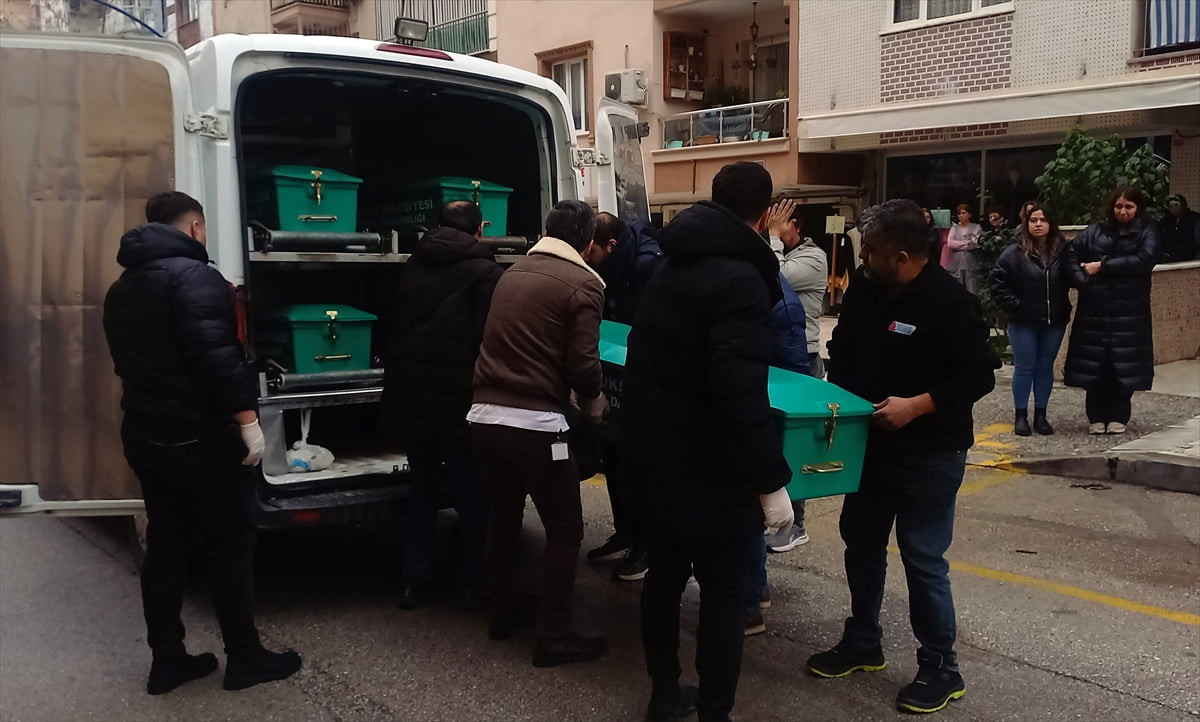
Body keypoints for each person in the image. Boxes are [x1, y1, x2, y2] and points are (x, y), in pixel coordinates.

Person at [103, 192, 301, 695]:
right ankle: (244, 657)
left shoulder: (123, 286)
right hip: (199, 437)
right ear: (194, 228)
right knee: (229, 544)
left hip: (147, 433)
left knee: (167, 544)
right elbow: (217, 359)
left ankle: (166, 661)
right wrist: (247, 421)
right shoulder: (197, 278)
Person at [807, 199, 998, 715]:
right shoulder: (868, 288)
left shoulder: (949, 303)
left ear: (904, 254)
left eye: (870, 250)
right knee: (861, 542)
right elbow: (843, 350)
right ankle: (863, 641)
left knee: (922, 557)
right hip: (869, 446)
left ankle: (941, 665)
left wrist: (918, 406)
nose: (862, 258)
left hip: (930, 451)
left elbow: (980, 375)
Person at [622, 161, 794, 722]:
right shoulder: (742, 279)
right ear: (765, 214)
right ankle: (715, 709)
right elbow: (739, 390)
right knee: (723, 595)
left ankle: (664, 694)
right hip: (712, 467)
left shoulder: (670, 262)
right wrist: (771, 483)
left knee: (666, 580)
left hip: (656, 456)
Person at [469, 199, 611, 668]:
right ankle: (555, 635)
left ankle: (503, 610)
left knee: (504, 516)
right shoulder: (585, 284)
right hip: (535, 423)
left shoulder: (512, 272)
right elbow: (583, 364)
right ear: (588, 242)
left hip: (484, 416)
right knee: (566, 530)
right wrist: (593, 403)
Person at [381, 201, 503, 610]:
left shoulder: (416, 264)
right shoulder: (486, 272)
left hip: (414, 397)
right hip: (459, 400)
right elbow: (487, 341)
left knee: (424, 489)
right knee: (472, 492)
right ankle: (476, 579)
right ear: (480, 230)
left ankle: (414, 580)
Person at [584, 212, 664, 582]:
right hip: (616, 366)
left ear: (611, 246)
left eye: (592, 251)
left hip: (643, 372)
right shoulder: (616, 263)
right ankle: (626, 532)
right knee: (613, 457)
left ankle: (647, 545)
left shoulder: (647, 266)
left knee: (642, 466)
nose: (586, 257)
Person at [1063, 186, 1161, 435]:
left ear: (1137, 208)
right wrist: (1082, 280)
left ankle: (1119, 416)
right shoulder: (1095, 231)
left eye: (1128, 206)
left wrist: (1103, 266)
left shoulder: (1147, 231)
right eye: (1119, 206)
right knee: (1096, 365)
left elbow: (1145, 259)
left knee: (1122, 366)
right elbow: (1070, 254)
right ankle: (1095, 416)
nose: (1123, 211)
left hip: (1130, 312)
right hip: (1094, 310)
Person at [744, 273, 810, 637]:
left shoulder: (775, 300)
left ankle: (748, 601)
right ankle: (754, 590)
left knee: (745, 511)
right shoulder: (755, 287)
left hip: (758, 413)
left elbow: (794, 379)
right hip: (752, 412)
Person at [763, 198, 826, 553]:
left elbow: (774, 276)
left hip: (805, 357)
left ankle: (796, 523)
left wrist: (770, 239)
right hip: (775, 354)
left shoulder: (813, 258)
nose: (771, 225)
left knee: (795, 445)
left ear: (796, 225)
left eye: (779, 221)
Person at [989, 204, 1071, 436]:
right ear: (1026, 224)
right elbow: (997, 282)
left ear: (1050, 224)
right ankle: (1021, 415)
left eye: (1043, 220)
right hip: (1023, 322)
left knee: (1045, 368)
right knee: (1025, 368)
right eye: (1033, 220)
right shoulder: (1013, 253)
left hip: (1054, 320)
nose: (1038, 224)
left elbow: (1075, 274)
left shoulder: (1063, 252)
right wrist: (1017, 306)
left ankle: (1041, 415)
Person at [945, 203, 982, 294]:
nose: (961, 215)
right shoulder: (954, 228)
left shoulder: (976, 227)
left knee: (972, 286)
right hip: (956, 260)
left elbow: (973, 244)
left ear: (969, 214)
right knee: (957, 287)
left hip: (971, 259)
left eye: (963, 213)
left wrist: (959, 244)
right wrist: (966, 242)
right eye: (959, 213)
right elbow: (950, 243)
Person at [1160, 193, 1200, 263]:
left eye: (1176, 205)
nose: (1173, 208)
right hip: (1170, 260)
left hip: (1190, 259)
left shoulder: (1195, 219)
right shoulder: (1165, 221)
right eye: (1170, 206)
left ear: (1183, 205)